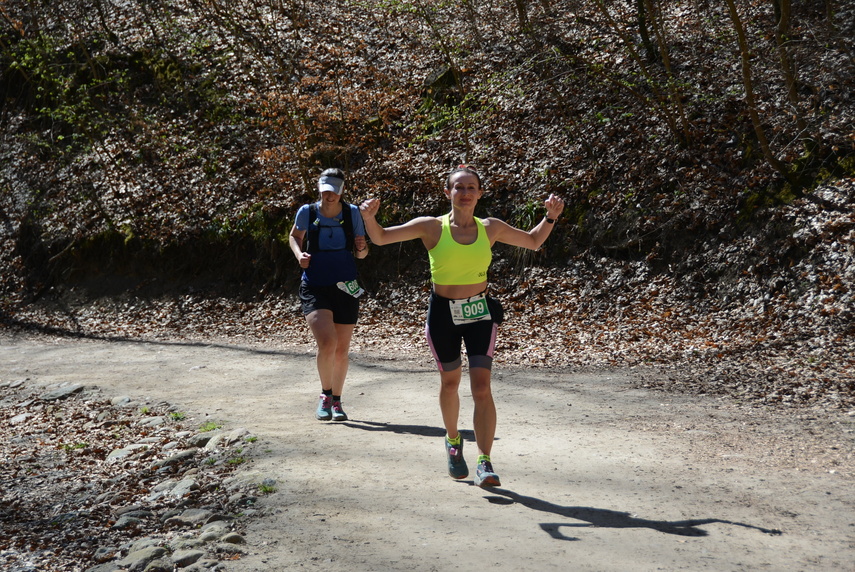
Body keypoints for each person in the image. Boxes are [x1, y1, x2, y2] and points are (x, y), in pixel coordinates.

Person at [359, 165, 564, 487]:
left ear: (480, 193)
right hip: (442, 314)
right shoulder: (431, 227)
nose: (465, 193)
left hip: (480, 313)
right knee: (451, 384)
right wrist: (369, 218)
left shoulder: (490, 228)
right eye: (459, 188)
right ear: (448, 193)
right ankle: (453, 441)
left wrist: (550, 216)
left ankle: (485, 461)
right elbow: (382, 238)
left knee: (482, 387)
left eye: (471, 188)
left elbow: (535, 241)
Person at [289, 168, 369, 422]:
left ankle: (337, 401)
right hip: (315, 285)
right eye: (325, 190)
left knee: (341, 350)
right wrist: (299, 255)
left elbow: (362, 254)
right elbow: (294, 236)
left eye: (333, 191)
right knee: (327, 342)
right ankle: (325, 395)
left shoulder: (352, 213)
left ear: (341, 191)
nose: (329, 195)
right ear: (319, 188)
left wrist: (362, 247)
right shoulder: (307, 212)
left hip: (346, 286)